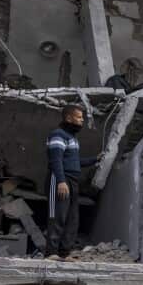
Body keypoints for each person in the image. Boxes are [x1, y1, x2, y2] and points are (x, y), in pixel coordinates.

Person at [44, 104, 97, 258]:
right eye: (79, 117)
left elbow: (74, 162)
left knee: (72, 219)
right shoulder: (58, 135)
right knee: (57, 216)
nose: (82, 121)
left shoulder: (72, 138)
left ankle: (64, 252)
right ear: (69, 118)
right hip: (60, 179)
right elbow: (56, 160)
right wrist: (61, 181)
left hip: (73, 181)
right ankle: (51, 253)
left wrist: (95, 160)